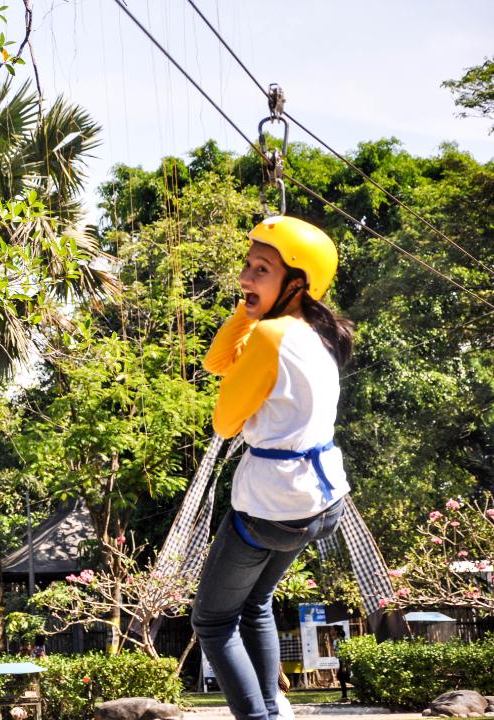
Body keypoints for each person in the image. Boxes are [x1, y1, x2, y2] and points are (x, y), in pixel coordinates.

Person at [191, 216, 354, 720]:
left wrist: (256, 321)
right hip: (323, 503)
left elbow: (224, 423)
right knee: (256, 603)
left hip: (272, 507)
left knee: (213, 622)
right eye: (247, 265)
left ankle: (259, 716)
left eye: (261, 269)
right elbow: (218, 361)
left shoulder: (271, 336)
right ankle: (275, 708)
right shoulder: (317, 333)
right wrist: (250, 306)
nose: (245, 276)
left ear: (297, 283)